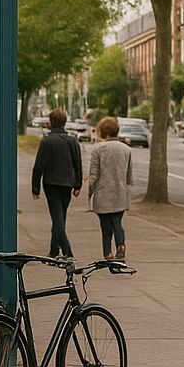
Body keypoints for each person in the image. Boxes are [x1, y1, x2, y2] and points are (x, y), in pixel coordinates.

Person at [31, 108, 83, 258]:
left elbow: (39, 165)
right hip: (67, 183)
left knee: (57, 217)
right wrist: (77, 185)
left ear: (51, 122)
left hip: (51, 183)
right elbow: (77, 164)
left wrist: (36, 187)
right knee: (60, 216)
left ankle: (66, 251)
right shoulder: (72, 141)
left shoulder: (47, 141)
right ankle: (54, 250)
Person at [88, 115, 133, 259]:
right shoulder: (126, 149)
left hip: (103, 194)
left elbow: (94, 174)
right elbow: (129, 174)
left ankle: (107, 252)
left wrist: (90, 193)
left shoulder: (98, 149)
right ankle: (121, 245)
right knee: (117, 222)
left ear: (102, 132)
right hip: (120, 192)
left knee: (105, 226)